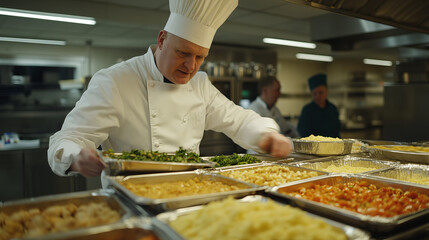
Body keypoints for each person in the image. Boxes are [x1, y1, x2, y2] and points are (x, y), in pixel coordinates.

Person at [48, 0, 293, 178]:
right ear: (162, 40)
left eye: (200, 57)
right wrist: (77, 156)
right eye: (183, 53)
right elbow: (67, 138)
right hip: (133, 200)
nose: (191, 66)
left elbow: (239, 120)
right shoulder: (116, 81)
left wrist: (268, 135)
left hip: (189, 192)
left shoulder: (200, 86)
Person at [297, 73, 341, 138]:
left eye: (320, 93)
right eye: (315, 93)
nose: (318, 96)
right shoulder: (307, 110)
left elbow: (337, 131)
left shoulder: (333, 109)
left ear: (326, 91)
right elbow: (302, 133)